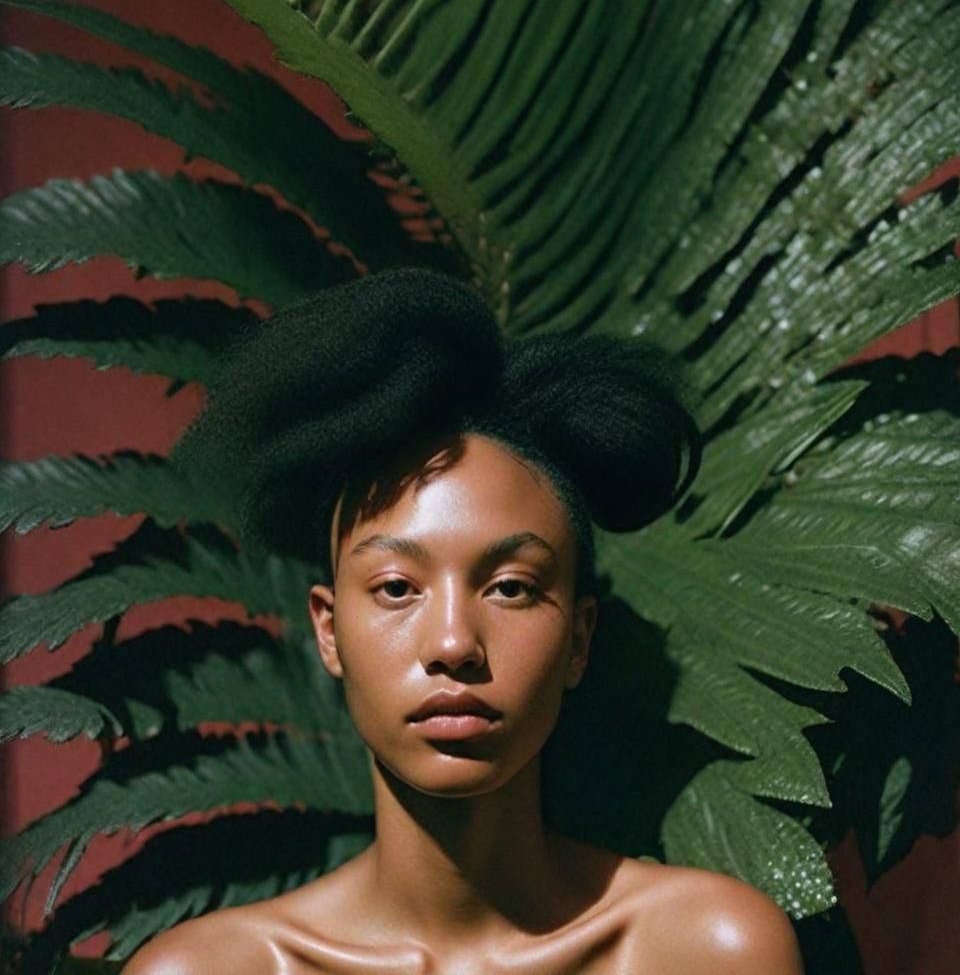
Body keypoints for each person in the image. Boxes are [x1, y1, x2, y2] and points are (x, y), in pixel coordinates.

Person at [124, 268, 804, 973]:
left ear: (579, 638)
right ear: (328, 630)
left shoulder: (706, 950)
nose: (453, 644)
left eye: (511, 588)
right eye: (395, 588)